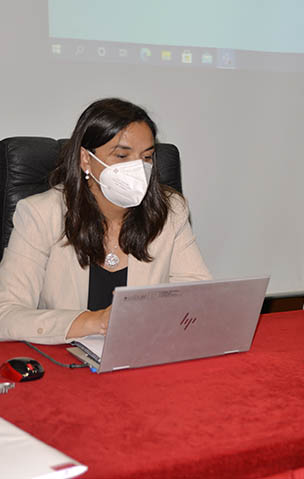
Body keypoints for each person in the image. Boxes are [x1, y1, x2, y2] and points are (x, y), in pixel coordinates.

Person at [0, 98, 211, 344]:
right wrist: (97, 321)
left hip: (145, 355)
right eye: (122, 155)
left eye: (147, 157)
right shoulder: (41, 214)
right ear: (86, 159)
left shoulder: (169, 210)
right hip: (68, 363)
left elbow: (198, 297)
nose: (138, 168)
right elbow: (6, 314)